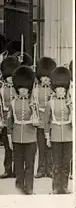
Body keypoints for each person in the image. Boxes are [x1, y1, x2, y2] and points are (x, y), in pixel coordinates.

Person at [7, 65, 39, 195]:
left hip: (30, 137)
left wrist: (34, 110)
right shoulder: (13, 103)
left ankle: (29, 188)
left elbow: (37, 121)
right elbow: (9, 122)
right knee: (19, 165)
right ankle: (19, 187)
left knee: (30, 165)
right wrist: (9, 137)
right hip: (16, 136)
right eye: (21, 88)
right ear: (17, 89)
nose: (23, 91)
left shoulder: (34, 102)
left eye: (26, 88)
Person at [45, 66, 72, 194]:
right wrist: (47, 138)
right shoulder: (50, 103)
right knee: (56, 164)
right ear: (55, 90)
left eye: (63, 89)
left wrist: (72, 108)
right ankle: (55, 188)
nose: (60, 91)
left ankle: (65, 187)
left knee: (66, 164)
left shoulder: (70, 103)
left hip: (68, 136)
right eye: (58, 89)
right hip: (55, 136)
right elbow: (46, 121)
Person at [0, 56, 21, 179]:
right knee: (8, 148)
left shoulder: (20, 89)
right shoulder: (2, 90)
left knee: (17, 147)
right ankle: (8, 170)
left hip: (17, 121)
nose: (11, 79)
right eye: (9, 76)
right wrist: (1, 120)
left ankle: (17, 170)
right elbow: (0, 106)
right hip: (7, 121)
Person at [34, 57, 57, 179]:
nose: (46, 78)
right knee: (41, 147)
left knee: (50, 147)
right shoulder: (36, 89)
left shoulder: (53, 89)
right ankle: (41, 170)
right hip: (40, 122)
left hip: (50, 122)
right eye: (44, 76)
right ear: (40, 76)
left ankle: (50, 169)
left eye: (48, 76)